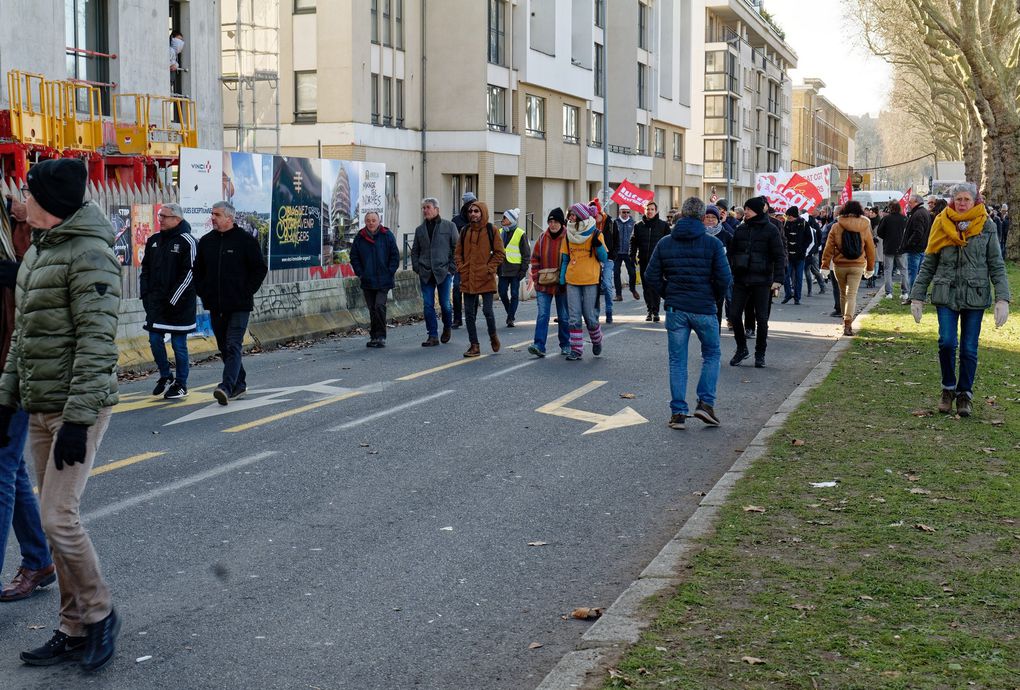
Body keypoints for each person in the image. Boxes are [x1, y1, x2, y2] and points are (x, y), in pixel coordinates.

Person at [0, 159, 121, 671]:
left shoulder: (90, 254)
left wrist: (77, 420)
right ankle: (72, 627)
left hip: (78, 409)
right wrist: (6, 401)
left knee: (58, 518)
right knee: (55, 524)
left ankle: (100, 614)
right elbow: (24, 341)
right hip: (43, 403)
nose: (19, 202)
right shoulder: (42, 252)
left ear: (49, 205)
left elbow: (97, 346)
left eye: (28, 196)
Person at [909, 182, 1011, 417]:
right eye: (958, 199)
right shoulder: (940, 223)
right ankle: (948, 388)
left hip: (975, 295)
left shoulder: (987, 225)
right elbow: (929, 262)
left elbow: (996, 264)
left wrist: (1002, 298)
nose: (962, 203)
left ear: (974, 200)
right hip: (946, 293)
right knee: (946, 342)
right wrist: (917, 296)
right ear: (953, 201)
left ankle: (965, 394)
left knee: (968, 348)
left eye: (966, 199)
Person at [0, 194, 54, 605]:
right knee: (11, 466)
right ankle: (38, 559)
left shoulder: (28, 219)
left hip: (15, 372)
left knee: (3, 467)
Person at [645, 197, 732, 430]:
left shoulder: (665, 243)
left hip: (676, 308)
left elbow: (650, 276)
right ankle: (705, 403)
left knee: (677, 361)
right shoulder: (712, 244)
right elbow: (725, 279)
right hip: (704, 307)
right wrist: (712, 295)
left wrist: (668, 293)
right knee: (712, 354)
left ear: (682, 214)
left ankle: (678, 413)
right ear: (703, 217)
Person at [195, 201, 268, 405]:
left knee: (233, 344)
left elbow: (259, 269)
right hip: (215, 304)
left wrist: (245, 292)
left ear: (229, 218)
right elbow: (197, 271)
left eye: (217, 214)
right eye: (212, 214)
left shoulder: (245, 241)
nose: (213, 218)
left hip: (239, 305)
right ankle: (240, 383)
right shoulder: (207, 241)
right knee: (224, 347)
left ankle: (226, 387)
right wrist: (203, 291)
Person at [140, 203, 196, 400]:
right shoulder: (154, 241)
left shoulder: (188, 241)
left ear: (177, 219)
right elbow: (145, 269)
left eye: (164, 216)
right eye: (159, 215)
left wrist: (173, 299)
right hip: (156, 303)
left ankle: (181, 383)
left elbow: (190, 273)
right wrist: (145, 294)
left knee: (179, 344)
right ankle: (165, 375)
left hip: (179, 305)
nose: (160, 219)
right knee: (154, 339)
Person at [727, 196, 785, 368]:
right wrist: (732, 268)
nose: (745, 212)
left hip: (762, 281)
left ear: (758, 211)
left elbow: (779, 256)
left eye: (749, 209)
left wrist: (778, 280)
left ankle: (760, 354)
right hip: (741, 279)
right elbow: (731, 252)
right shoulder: (740, 229)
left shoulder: (771, 230)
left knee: (762, 319)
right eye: (745, 209)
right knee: (734, 315)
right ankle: (741, 348)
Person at [455, 201, 505, 357]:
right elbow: (457, 253)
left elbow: (499, 253)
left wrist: (489, 269)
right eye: (470, 211)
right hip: (468, 277)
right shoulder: (464, 231)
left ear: (482, 213)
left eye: (476, 211)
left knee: (487, 311)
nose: (473, 214)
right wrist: (462, 268)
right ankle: (474, 345)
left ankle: (493, 336)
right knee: (469, 313)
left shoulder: (492, 230)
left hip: (486, 278)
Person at [820, 200, 877, 336]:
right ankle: (848, 323)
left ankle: (843, 319)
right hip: (857, 265)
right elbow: (870, 248)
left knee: (843, 293)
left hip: (839, 265)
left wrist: (825, 265)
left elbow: (828, 248)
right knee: (852, 294)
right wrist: (870, 267)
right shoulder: (865, 224)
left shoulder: (836, 225)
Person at [560, 203, 607, 360]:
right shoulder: (568, 234)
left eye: (573, 215)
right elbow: (565, 259)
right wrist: (562, 279)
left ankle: (596, 339)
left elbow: (604, 258)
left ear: (581, 216)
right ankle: (577, 350)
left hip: (590, 279)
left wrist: (598, 246)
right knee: (573, 317)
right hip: (572, 280)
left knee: (589, 315)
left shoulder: (595, 233)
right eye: (570, 215)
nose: (571, 218)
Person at [411, 197, 458, 347]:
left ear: (436, 209)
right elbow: (415, 251)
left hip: (443, 271)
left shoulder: (449, 226)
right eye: (423, 208)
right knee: (427, 305)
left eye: (428, 207)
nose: (425, 210)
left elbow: (457, 249)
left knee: (445, 304)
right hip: (425, 272)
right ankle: (432, 335)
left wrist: (451, 268)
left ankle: (447, 326)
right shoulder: (420, 230)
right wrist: (417, 267)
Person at [349, 212, 400, 348]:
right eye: (368, 220)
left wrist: (390, 272)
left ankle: (381, 336)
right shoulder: (360, 237)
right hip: (368, 280)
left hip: (384, 279)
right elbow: (354, 257)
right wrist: (360, 273)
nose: (371, 223)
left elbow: (395, 256)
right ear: (365, 222)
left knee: (379, 306)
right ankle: (374, 336)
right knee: (372, 309)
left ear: (379, 221)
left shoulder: (387, 235)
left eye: (374, 220)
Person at [528, 208, 570, 357]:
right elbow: (534, 259)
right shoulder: (541, 238)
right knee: (543, 315)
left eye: (555, 222)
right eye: (550, 222)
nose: (552, 225)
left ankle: (565, 344)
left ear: (561, 223)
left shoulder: (568, 237)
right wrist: (535, 278)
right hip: (543, 284)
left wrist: (567, 280)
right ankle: (539, 345)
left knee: (564, 316)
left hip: (563, 285)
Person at [631, 201, 670, 322]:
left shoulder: (663, 226)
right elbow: (633, 242)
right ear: (644, 210)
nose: (650, 211)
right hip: (643, 261)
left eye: (652, 209)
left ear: (656, 211)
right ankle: (649, 310)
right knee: (646, 287)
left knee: (655, 286)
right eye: (648, 209)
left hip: (658, 263)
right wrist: (632, 255)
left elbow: (669, 244)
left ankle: (656, 311)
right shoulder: (638, 226)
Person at [496, 208, 530, 328]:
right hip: (502, 269)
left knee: (514, 294)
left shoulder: (521, 233)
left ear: (510, 220)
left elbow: (526, 254)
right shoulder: (499, 232)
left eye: (504, 218)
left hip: (515, 270)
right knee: (502, 293)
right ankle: (510, 312)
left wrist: (523, 270)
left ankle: (510, 318)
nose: (502, 220)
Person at [450, 192, 476, 329]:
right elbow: (452, 242)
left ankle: (473, 316)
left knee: (473, 290)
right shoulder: (456, 222)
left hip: (476, 262)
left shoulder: (479, 220)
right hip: (460, 262)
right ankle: (457, 318)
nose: (472, 208)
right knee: (456, 288)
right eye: (469, 204)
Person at [702, 205, 732, 324]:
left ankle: (716, 331)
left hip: (720, 278)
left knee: (717, 308)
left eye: (713, 217)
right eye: (707, 217)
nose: (710, 219)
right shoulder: (698, 235)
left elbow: (733, 253)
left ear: (718, 219)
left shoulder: (725, 235)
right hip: (703, 278)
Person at [901, 194, 933, 302]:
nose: (908, 204)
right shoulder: (924, 212)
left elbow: (918, 233)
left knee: (913, 274)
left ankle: (913, 296)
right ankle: (918, 295)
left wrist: (909, 244)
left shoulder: (918, 214)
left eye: (910, 202)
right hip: (922, 248)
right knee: (919, 274)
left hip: (915, 249)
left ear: (916, 202)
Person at [781, 206, 813, 305]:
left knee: (799, 277)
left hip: (800, 256)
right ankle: (788, 294)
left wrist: (803, 249)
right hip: (788, 256)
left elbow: (809, 238)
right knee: (786, 276)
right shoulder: (785, 223)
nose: (788, 219)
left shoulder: (804, 223)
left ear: (795, 216)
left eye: (790, 217)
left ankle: (797, 298)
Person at [876, 201, 908, 299]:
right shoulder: (904, 218)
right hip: (901, 247)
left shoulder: (886, 219)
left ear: (890, 208)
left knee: (888, 270)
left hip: (888, 246)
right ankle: (905, 292)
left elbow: (879, 232)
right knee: (903, 270)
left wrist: (886, 237)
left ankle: (888, 293)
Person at [612, 205, 640, 301]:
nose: (626, 214)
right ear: (619, 212)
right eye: (624, 212)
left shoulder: (633, 223)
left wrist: (635, 251)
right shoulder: (614, 223)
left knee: (632, 273)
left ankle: (632, 289)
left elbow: (636, 238)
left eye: (628, 212)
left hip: (629, 252)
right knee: (616, 273)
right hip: (617, 252)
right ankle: (618, 294)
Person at [595, 206, 617, 323]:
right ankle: (595, 313)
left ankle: (609, 311)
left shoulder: (611, 223)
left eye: (596, 214)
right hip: (594, 260)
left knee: (607, 284)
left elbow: (616, 240)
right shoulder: (589, 225)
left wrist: (613, 255)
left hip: (608, 260)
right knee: (594, 287)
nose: (595, 217)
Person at [820, 207, 843, 317]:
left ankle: (839, 308)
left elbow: (825, 245)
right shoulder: (855, 225)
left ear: (836, 214)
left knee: (836, 286)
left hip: (835, 260)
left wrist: (824, 262)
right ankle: (847, 309)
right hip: (852, 261)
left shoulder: (831, 227)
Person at [804, 207, 826, 296]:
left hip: (811, 250)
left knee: (810, 270)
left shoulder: (810, 222)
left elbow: (820, 235)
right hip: (812, 249)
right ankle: (821, 287)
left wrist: (816, 245)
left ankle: (814, 289)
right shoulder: (813, 222)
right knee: (812, 270)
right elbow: (820, 235)